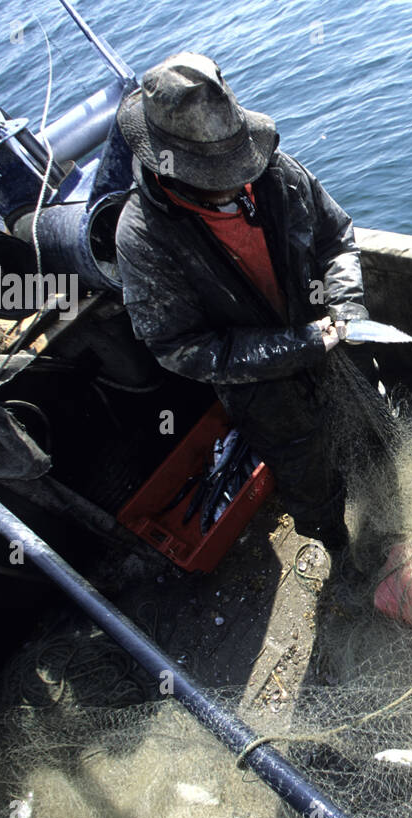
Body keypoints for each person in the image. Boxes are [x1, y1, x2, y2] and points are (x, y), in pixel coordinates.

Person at [114, 52, 369, 553]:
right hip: (265, 393)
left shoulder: (278, 174)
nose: (239, 177)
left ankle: (386, 507)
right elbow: (181, 348)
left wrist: (345, 302)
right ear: (174, 168)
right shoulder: (143, 239)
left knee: (371, 431)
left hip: (337, 348)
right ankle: (338, 549)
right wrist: (296, 345)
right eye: (218, 171)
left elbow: (337, 238)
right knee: (308, 478)